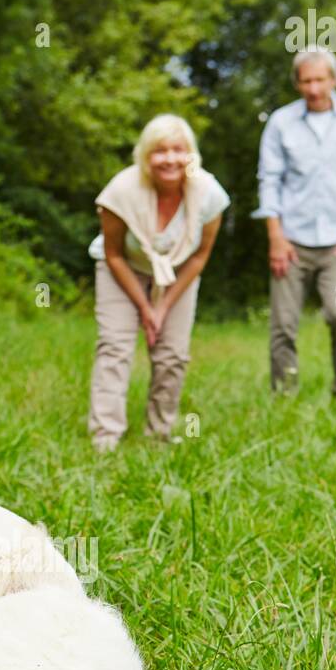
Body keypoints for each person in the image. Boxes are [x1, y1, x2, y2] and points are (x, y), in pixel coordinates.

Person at [87, 114, 230, 451]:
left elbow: (199, 256)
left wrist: (163, 306)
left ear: (191, 155)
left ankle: (160, 434)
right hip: (121, 269)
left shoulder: (209, 193)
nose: (170, 159)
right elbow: (114, 254)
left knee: (173, 355)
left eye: (179, 150)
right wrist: (144, 307)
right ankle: (105, 437)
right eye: (159, 151)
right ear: (145, 156)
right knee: (115, 347)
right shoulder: (121, 190)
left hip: (179, 274)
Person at [253, 46, 336, 405]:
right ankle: (284, 396)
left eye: (320, 79)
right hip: (291, 243)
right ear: (297, 84)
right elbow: (269, 180)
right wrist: (275, 236)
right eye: (306, 80)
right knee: (283, 324)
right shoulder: (281, 122)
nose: (313, 88)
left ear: (333, 80)